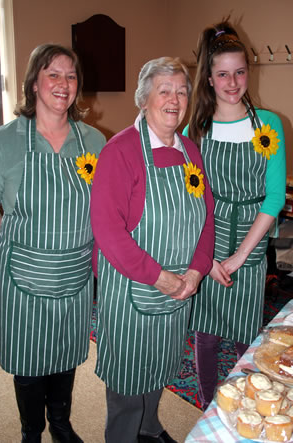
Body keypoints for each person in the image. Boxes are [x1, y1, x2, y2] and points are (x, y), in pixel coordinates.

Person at [90, 56, 215, 443]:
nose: (175, 99)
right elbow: (108, 231)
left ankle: (149, 426)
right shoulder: (121, 151)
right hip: (132, 292)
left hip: (178, 290)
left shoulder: (190, 151)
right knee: (129, 382)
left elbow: (206, 217)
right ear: (144, 99)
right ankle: (127, 433)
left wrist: (197, 270)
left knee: (160, 367)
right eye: (165, 91)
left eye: (181, 91)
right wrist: (157, 276)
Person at [0, 44, 106, 442]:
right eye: (53, 74)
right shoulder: (5, 141)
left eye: (71, 76)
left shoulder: (93, 141)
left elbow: (108, 210)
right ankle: (31, 431)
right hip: (22, 275)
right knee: (28, 359)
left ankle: (61, 424)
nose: (63, 84)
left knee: (63, 355)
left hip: (75, 275)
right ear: (33, 82)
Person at [183, 19, 286, 410]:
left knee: (247, 338)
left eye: (239, 72)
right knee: (206, 336)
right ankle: (209, 407)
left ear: (249, 72)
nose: (232, 82)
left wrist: (241, 255)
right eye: (222, 73)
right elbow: (192, 197)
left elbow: (274, 197)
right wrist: (206, 259)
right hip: (206, 242)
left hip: (251, 243)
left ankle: (250, 408)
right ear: (208, 78)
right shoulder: (197, 128)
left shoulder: (270, 124)